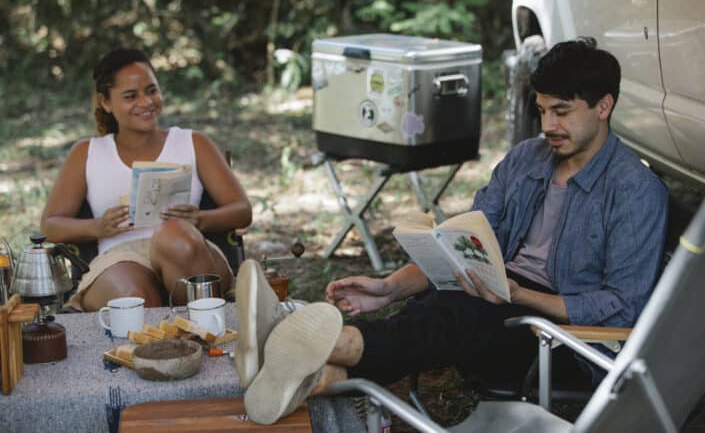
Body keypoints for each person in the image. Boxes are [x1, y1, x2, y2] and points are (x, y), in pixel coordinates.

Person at [233, 38, 669, 425]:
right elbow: (460, 246)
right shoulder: (526, 160)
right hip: (489, 304)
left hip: (559, 342)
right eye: (540, 111)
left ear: (604, 106)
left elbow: (621, 305)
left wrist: (519, 296)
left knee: (463, 312)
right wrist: (388, 288)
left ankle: (324, 343)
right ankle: (322, 375)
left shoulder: (635, 192)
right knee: (449, 306)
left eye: (561, 112)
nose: (548, 126)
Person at [40, 48, 252, 312]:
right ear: (105, 102)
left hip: (189, 251)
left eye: (151, 90)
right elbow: (50, 225)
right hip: (120, 257)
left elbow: (242, 211)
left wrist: (200, 220)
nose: (146, 101)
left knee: (174, 233)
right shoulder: (88, 153)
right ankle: (156, 346)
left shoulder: (192, 142)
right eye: (131, 96)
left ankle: (204, 336)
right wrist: (97, 227)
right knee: (136, 299)